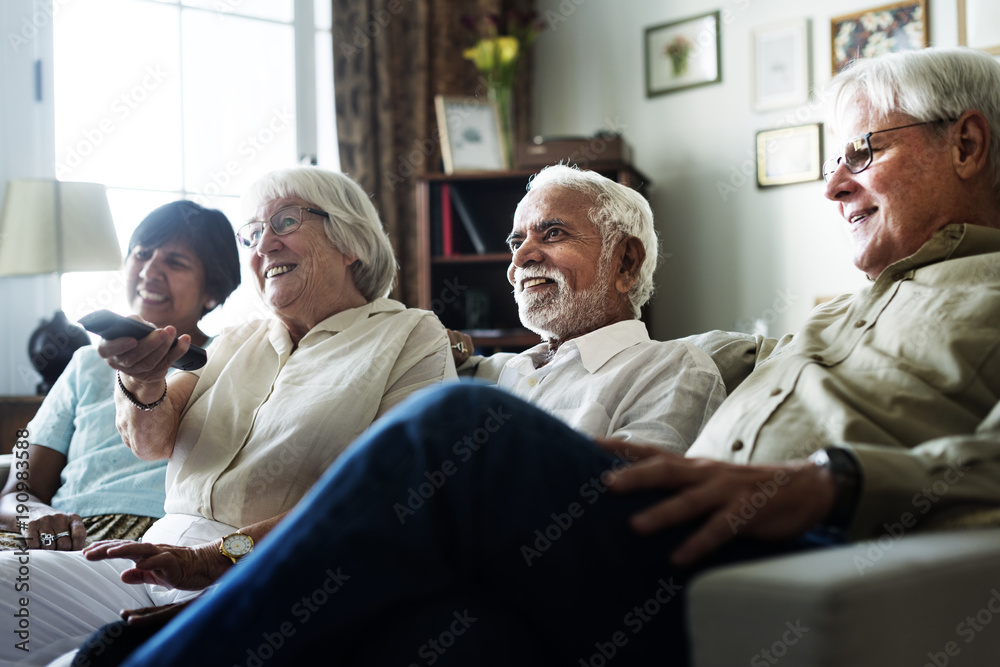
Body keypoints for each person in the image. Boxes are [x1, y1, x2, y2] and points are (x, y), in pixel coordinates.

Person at [74, 46, 1000, 666]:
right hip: (669, 552)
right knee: (440, 632)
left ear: (968, 142)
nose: (834, 183)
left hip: (773, 560)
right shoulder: (833, 316)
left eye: (864, 152)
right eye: (514, 240)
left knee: (460, 427)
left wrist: (829, 480)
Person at [0, 167, 456, 665]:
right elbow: (151, 442)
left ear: (352, 240)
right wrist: (142, 380)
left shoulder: (409, 335)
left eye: (285, 222)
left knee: (92, 660)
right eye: (254, 235)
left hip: (274, 573)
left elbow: (386, 497)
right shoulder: (235, 341)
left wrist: (215, 558)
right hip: (155, 557)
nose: (265, 247)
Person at [0, 201, 240, 551]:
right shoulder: (85, 363)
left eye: (175, 262)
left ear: (212, 291)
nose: (149, 270)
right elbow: (16, 492)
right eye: (141, 254)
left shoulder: (235, 359)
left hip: (163, 538)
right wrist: (33, 515)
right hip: (59, 538)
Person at [455, 165, 725, 450]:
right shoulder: (513, 368)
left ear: (625, 263)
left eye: (554, 233)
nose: (519, 259)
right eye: (516, 243)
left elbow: (630, 489)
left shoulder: (673, 369)